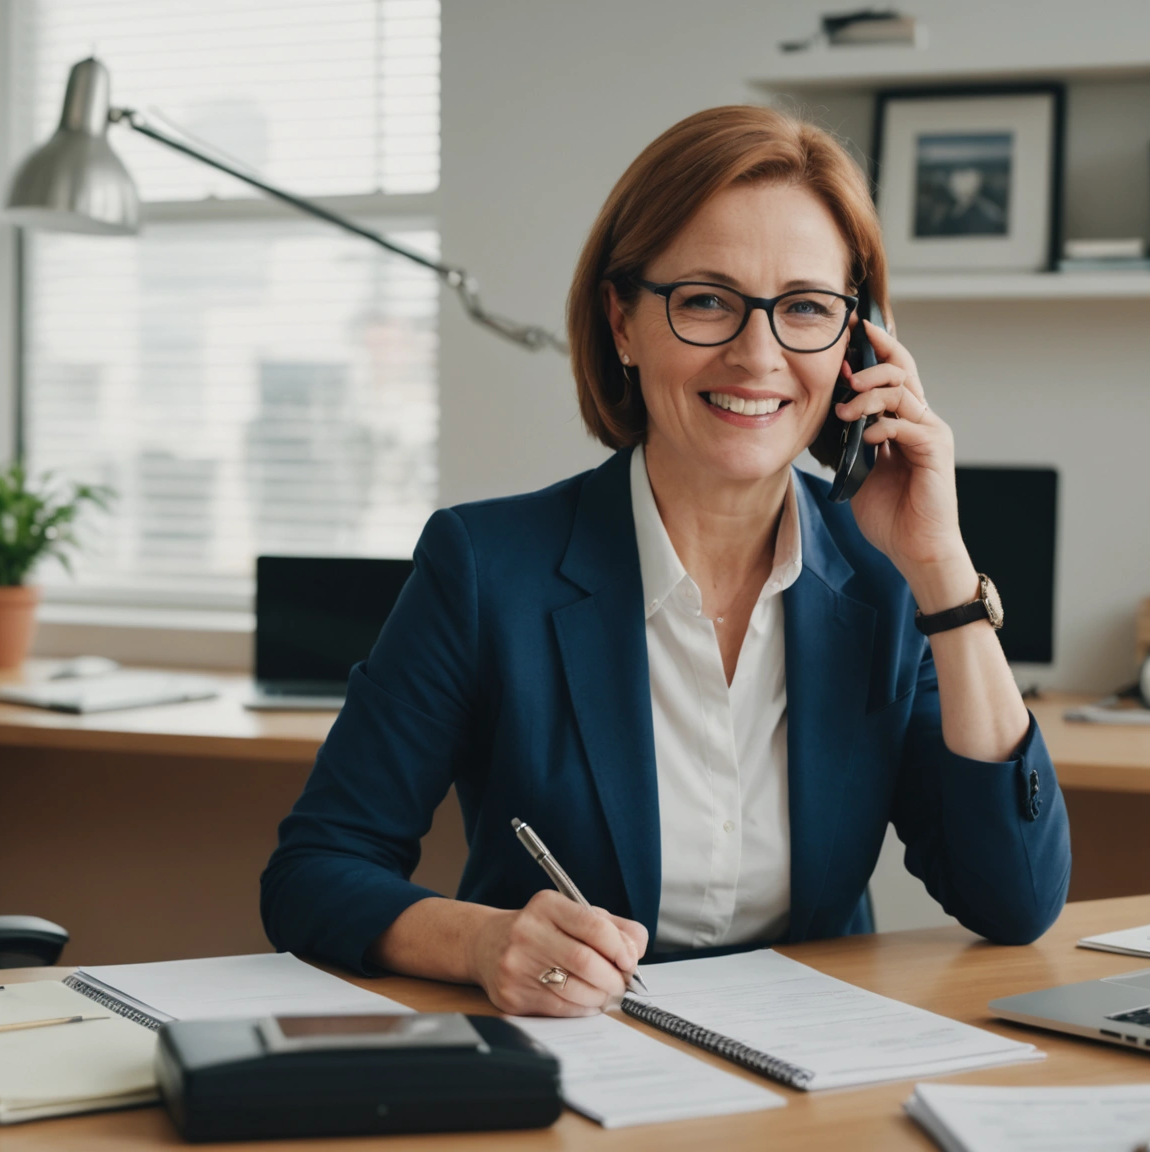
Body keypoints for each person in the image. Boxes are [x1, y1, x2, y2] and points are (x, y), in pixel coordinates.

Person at [261, 105, 1070, 1017]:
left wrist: (943, 572)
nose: (757, 355)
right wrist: (482, 940)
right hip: (572, 1067)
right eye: (707, 301)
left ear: (858, 344)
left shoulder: (887, 583)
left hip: (812, 1078)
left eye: (805, 307)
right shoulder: (488, 567)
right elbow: (313, 872)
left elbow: (1015, 901)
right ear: (622, 322)